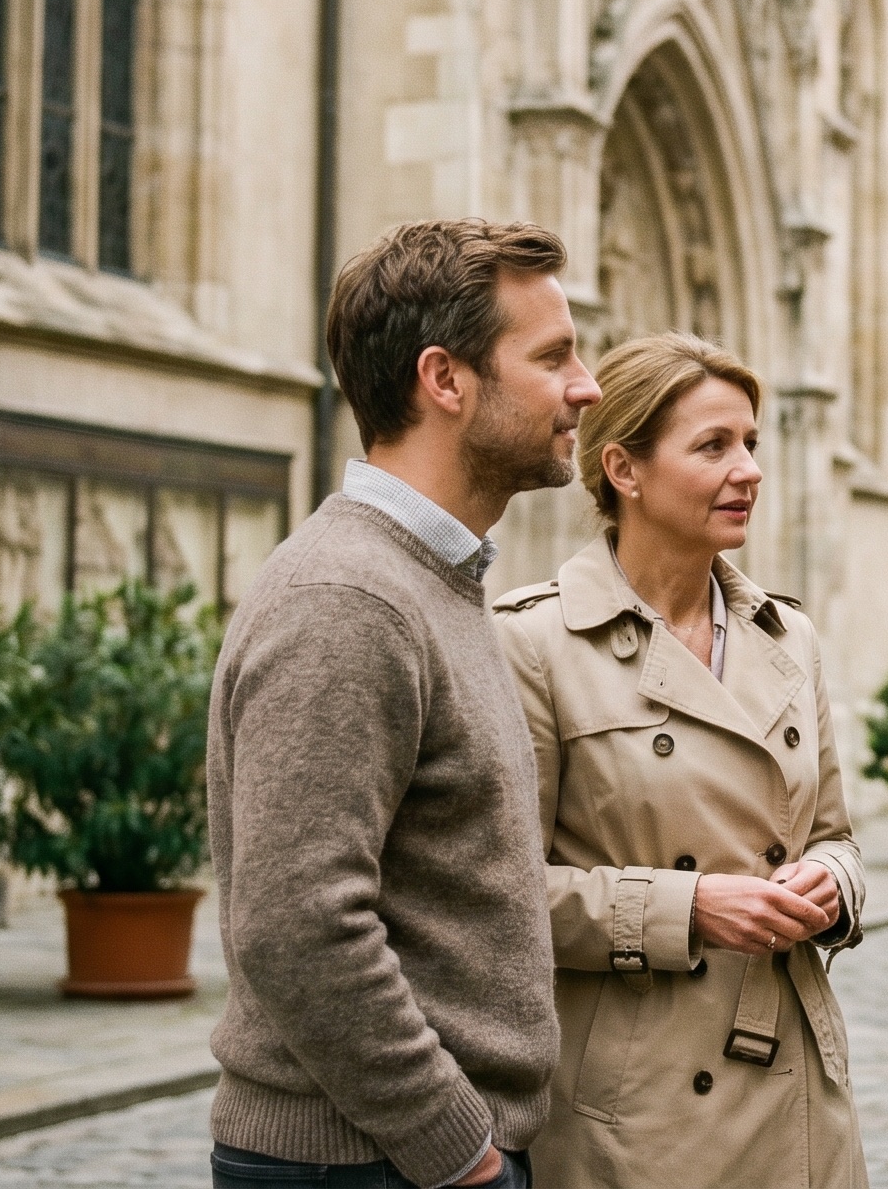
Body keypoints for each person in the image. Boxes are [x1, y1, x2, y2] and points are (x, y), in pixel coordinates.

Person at [205, 219, 602, 1189]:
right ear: (445, 379)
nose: (586, 386)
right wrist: (457, 1149)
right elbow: (297, 924)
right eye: (553, 356)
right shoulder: (348, 598)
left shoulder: (430, 579)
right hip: (374, 1165)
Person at [492, 332, 868, 1188]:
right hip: (638, 1106)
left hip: (797, 1086)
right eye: (713, 446)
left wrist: (832, 885)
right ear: (624, 469)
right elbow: (501, 898)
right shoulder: (535, 643)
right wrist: (687, 908)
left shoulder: (788, 635)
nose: (750, 471)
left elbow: (836, 834)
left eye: (751, 443)